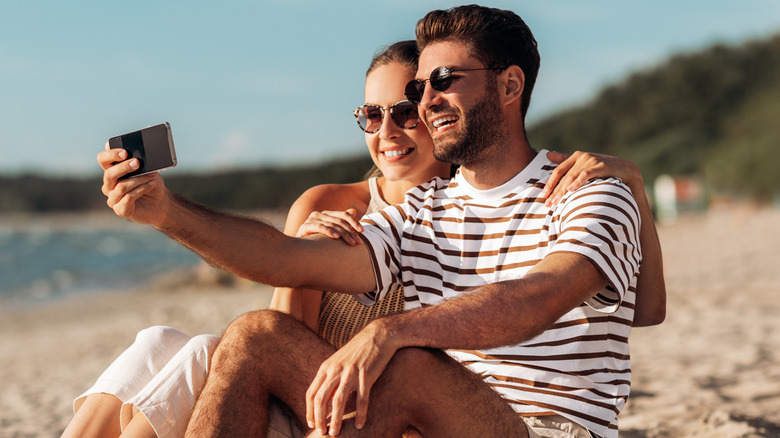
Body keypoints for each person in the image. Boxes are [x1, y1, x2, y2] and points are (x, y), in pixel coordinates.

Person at [96, 5, 665, 435]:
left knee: (409, 366)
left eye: (444, 80)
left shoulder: (590, 188)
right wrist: (167, 213)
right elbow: (285, 259)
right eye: (420, 87)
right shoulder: (422, 211)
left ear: (510, 84)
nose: (427, 101)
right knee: (255, 335)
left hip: (544, 428)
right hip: (426, 423)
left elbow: (539, 297)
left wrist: (392, 330)